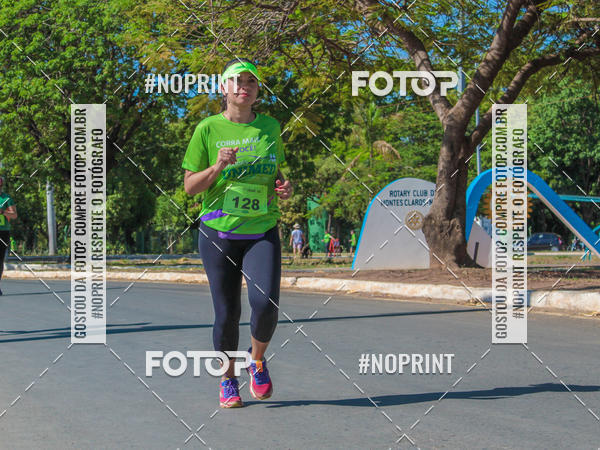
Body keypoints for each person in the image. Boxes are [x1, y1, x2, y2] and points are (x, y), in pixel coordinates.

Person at [182, 58, 292, 408]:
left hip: (262, 229)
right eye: (237, 81)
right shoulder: (207, 129)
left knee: (266, 304)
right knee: (227, 313)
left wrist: (284, 187)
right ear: (224, 88)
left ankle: (256, 360)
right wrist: (217, 166)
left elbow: (275, 171)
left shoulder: (270, 127)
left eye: (251, 82)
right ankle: (228, 380)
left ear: (258, 90)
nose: (245, 87)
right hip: (219, 233)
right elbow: (190, 187)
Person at [0, 176, 17, 295]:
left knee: (0, 259)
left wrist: (3, 212)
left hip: (3, 232)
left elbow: (14, 215)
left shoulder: (6, 199)